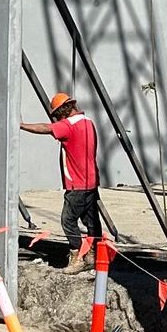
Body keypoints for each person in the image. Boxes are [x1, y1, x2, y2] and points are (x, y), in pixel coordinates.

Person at [21, 90, 100, 266]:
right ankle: (94, 255)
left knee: (68, 220)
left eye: (57, 114)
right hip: (91, 181)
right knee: (91, 221)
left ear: (63, 110)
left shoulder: (68, 125)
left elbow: (45, 128)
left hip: (76, 184)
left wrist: (21, 125)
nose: (56, 119)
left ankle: (77, 256)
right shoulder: (88, 122)